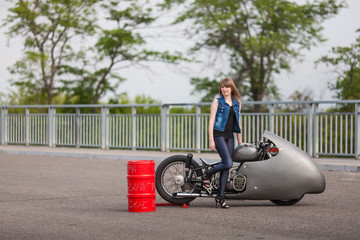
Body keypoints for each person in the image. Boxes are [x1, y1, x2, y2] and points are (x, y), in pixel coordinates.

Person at [204, 77, 243, 209]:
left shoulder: (237, 103)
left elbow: (238, 123)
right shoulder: (217, 101)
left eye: (227, 87)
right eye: (222, 87)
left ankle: (220, 197)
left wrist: (240, 142)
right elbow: (211, 121)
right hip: (218, 135)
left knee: (226, 167)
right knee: (227, 163)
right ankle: (207, 174)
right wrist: (211, 140)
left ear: (232, 88)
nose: (224, 89)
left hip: (229, 136)